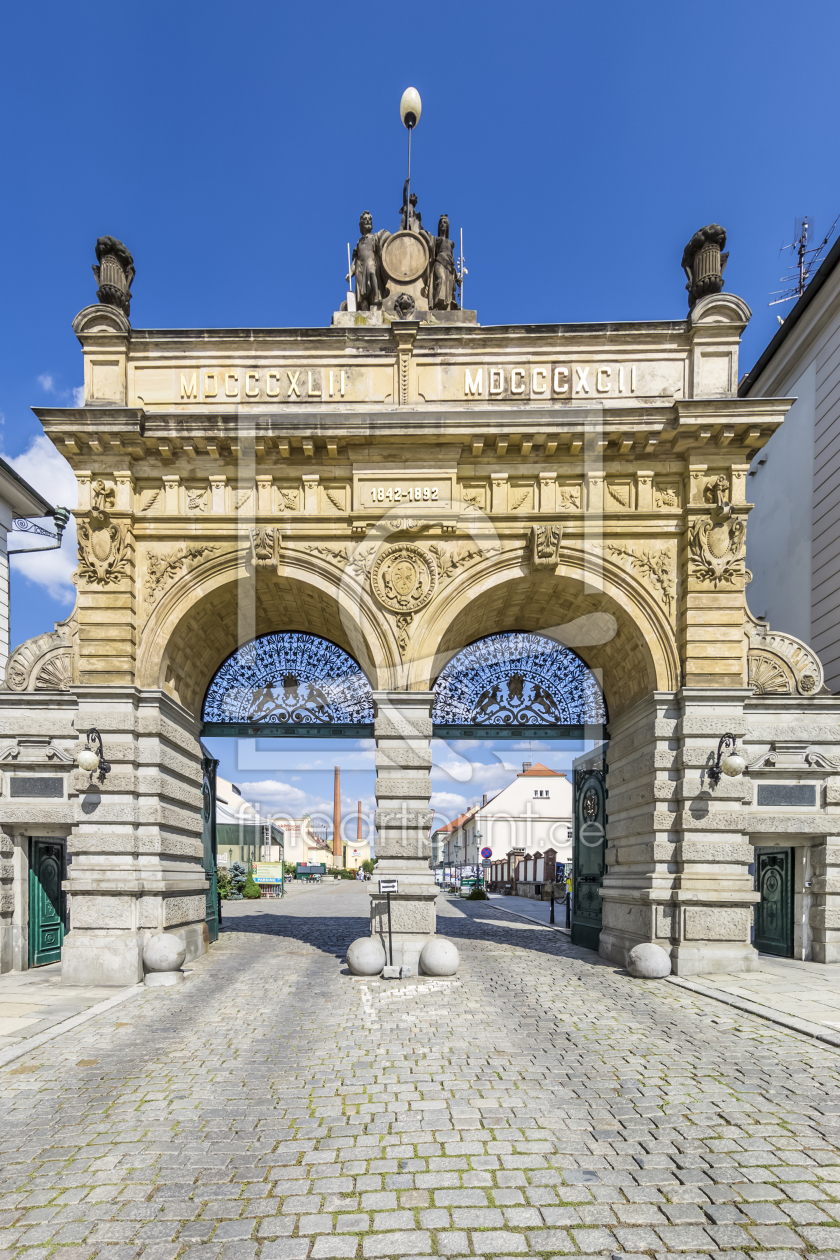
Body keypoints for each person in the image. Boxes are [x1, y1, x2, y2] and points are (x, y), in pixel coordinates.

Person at [347, 211, 389, 311]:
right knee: (362, 294)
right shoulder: (359, 243)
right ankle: (364, 309)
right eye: (365, 220)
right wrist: (350, 272)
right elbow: (355, 261)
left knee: (371, 271)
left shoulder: (375, 237)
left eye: (369, 220)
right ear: (361, 224)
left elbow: (386, 237)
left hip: (371, 261)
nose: (367, 221)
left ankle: (376, 297)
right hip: (360, 266)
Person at [430, 214, 459, 311]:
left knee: (449, 286)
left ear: (447, 226)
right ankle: (436, 303)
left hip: (449, 265)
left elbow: (453, 259)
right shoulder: (436, 239)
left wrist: (456, 275)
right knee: (441, 280)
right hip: (439, 262)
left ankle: (448, 304)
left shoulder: (450, 243)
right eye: (441, 223)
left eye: (445, 223)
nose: (442, 224)